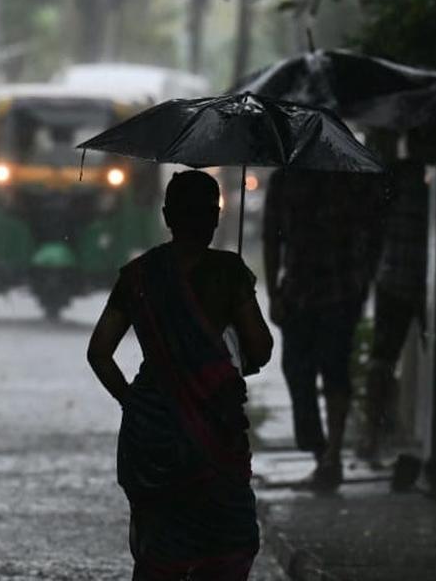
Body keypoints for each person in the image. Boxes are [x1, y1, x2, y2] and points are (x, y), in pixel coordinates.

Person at [88, 170, 274, 580]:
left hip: (152, 433)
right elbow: (260, 349)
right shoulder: (229, 272)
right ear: (215, 218)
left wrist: (134, 402)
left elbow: (99, 352)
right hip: (215, 425)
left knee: (160, 546)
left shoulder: (138, 275)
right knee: (228, 541)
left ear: (166, 216)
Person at [263, 168, 381, 490]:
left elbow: (372, 232)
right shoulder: (286, 178)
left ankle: (331, 456)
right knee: (298, 372)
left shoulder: (352, 177)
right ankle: (320, 449)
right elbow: (271, 237)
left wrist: (363, 283)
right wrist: (273, 293)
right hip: (300, 294)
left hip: (339, 292)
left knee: (334, 371)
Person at [358, 159, 427, 464]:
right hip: (416, 280)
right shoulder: (419, 182)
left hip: (394, 279)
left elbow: (373, 232)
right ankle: (376, 434)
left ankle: (374, 435)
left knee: (381, 361)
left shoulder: (391, 180)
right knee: (384, 361)